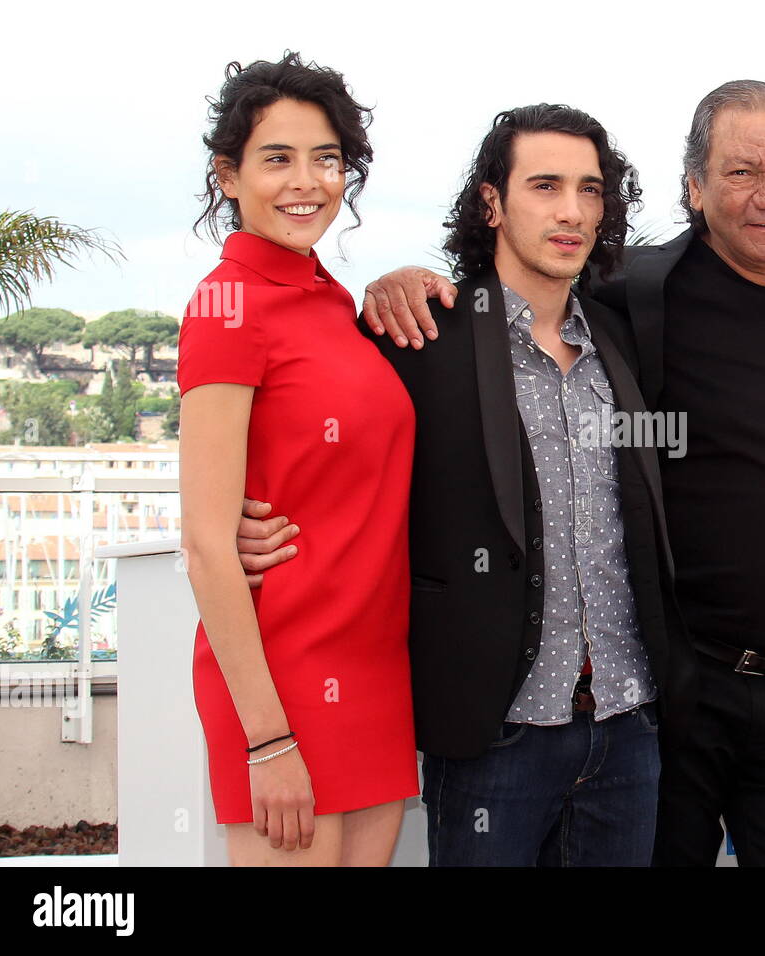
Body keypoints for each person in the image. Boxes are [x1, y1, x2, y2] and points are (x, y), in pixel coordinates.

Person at [357, 80, 765, 867]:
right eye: (742, 172)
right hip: (668, 701)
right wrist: (397, 281)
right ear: (694, 187)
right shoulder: (639, 295)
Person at [241, 104, 694, 866]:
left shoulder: (621, 339)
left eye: (589, 189)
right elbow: (324, 445)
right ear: (492, 201)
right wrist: (237, 524)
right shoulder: (420, 336)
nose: (571, 211)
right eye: (545, 185)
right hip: (496, 736)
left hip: (628, 729)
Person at [178, 52, 419, 866]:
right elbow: (210, 542)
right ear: (228, 175)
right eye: (276, 158)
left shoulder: (330, 300)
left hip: (375, 666)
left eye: (327, 159)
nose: (306, 181)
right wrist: (268, 740)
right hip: (280, 682)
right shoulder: (225, 304)